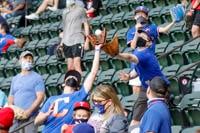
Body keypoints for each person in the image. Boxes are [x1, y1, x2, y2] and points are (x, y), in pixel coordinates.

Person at [34, 43, 101, 133]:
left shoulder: (79, 95)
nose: (73, 77)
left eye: (76, 77)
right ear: (63, 84)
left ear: (77, 86)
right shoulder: (51, 99)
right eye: (69, 76)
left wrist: (97, 50)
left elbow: (93, 73)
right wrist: (47, 114)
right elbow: (36, 121)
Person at [116, 30, 170, 126]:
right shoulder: (137, 51)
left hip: (158, 89)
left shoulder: (145, 54)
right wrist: (129, 76)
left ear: (148, 42)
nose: (140, 36)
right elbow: (137, 70)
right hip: (145, 88)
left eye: (143, 36)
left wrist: (117, 55)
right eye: (139, 34)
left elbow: (130, 58)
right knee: (135, 120)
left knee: (154, 119)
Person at [8, 51, 45, 133]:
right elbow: (11, 96)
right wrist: (12, 108)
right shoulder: (15, 78)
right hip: (16, 116)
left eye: (30, 58)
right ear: (20, 60)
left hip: (31, 116)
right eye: (25, 58)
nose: (28, 60)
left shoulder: (37, 77)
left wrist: (29, 112)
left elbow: (40, 97)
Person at [61, 0, 90, 74]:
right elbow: (65, 28)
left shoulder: (80, 10)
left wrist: (87, 40)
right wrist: (61, 42)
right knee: (70, 67)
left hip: (78, 40)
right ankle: (72, 84)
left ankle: (81, 84)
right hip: (67, 41)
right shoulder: (64, 12)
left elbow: (86, 25)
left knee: (77, 64)